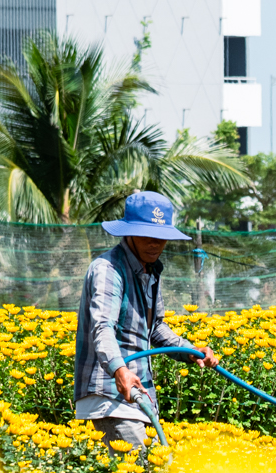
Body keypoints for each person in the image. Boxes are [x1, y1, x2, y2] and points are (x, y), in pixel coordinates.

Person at [73, 190, 220, 450]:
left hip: (139, 394)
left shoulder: (150, 270)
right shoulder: (108, 270)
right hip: (111, 392)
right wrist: (120, 370)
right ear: (128, 232)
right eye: (147, 235)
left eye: (162, 237)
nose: (155, 243)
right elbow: (102, 327)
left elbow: (155, 328)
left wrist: (190, 351)